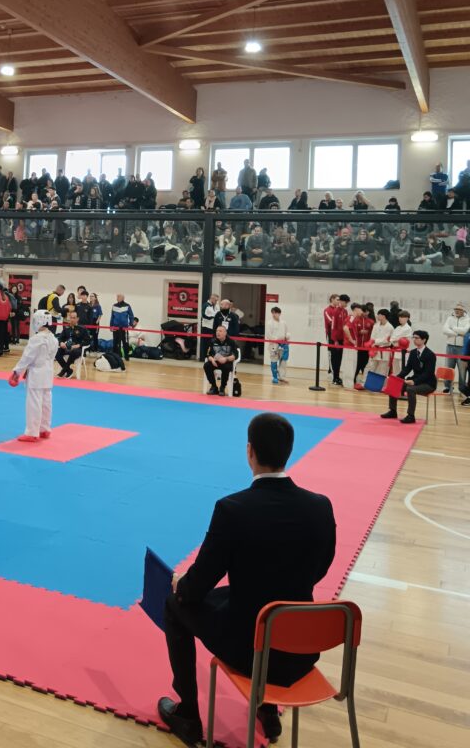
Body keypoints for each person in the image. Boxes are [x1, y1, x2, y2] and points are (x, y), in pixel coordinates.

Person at [158, 413, 336, 747]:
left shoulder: (232, 509)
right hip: (300, 647)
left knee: (174, 603)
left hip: (249, 646)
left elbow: (199, 586)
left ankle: (188, 715)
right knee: (269, 597)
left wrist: (181, 583)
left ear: (250, 451)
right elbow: (320, 569)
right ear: (288, 452)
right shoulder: (320, 507)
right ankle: (267, 710)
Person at [8, 310, 58, 442]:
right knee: (47, 402)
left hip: (36, 373)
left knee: (34, 403)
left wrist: (16, 372)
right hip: (48, 372)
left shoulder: (36, 339)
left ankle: (32, 432)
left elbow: (27, 358)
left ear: (39, 321)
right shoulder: (54, 338)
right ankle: (45, 429)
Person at [381, 330, 436, 424]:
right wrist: (396, 378)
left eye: (417, 338)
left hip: (428, 383)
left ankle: (411, 416)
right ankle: (393, 411)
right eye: (413, 338)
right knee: (395, 384)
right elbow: (407, 369)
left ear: (424, 340)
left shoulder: (430, 355)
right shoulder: (413, 352)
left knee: (411, 389)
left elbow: (428, 374)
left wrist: (414, 382)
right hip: (415, 380)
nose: (414, 340)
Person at [441, 303, 469, 393]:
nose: (457, 311)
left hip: (462, 348)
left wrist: (452, 328)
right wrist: (457, 333)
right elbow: (444, 330)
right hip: (450, 346)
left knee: (462, 369)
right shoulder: (450, 318)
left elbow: (465, 331)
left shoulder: (468, 319)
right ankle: (447, 387)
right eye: (456, 309)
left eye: (459, 310)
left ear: (463, 311)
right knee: (449, 367)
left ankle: (462, 388)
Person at [203, 325, 237, 396]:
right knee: (206, 366)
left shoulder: (231, 342)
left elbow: (235, 356)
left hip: (226, 362)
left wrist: (226, 359)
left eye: (220, 331)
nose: (218, 333)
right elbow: (207, 355)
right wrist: (212, 360)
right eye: (217, 331)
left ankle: (222, 387)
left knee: (226, 367)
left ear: (225, 333)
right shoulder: (212, 341)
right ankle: (214, 387)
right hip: (215, 362)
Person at [55, 309, 89, 378]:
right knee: (56, 352)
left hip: (78, 349)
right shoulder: (66, 328)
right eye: (71, 318)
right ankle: (68, 370)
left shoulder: (82, 329)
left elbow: (88, 341)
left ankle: (63, 370)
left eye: (74, 318)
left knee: (74, 351)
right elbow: (60, 338)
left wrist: (79, 345)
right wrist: (61, 343)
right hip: (67, 348)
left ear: (77, 319)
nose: (72, 319)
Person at [328, 293, 351, 386]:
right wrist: (335, 340)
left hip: (342, 339)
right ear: (341, 301)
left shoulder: (345, 311)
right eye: (346, 302)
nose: (347, 304)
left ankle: (337, 377)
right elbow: (333, 327)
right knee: (335, 359)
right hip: (336, 339)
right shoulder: (336, 311)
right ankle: (334, 378)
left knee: (340, 358)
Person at [265, 306, 289, 384]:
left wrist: (286, 337)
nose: (274, 314)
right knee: (274, 361)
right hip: (274, 345)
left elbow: (287, 332)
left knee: (283, 361)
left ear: (279, 313)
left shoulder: (284, 322)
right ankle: (274, 377)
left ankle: (281, 377)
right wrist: (277, 339)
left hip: (283, 344)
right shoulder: (269, 323)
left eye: (276, 313)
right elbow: (269, 335)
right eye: (273, 313)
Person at [110, 293, 135, 361]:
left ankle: (126, 356)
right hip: (116, 327)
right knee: (115, 342)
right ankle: (116, 356)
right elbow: (112, 317)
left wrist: (130, 325)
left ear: (123, 298)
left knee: (125, 342)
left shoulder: (127, 306)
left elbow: (131, 316)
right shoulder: (114, 306)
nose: (117, 298)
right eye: (117, 297)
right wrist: (111, 326)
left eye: (118, 297)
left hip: (124, 328)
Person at [199, 292, 219, 362]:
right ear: (212, 299)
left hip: (212, 328)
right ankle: (204, 357)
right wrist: (214, 316)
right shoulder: (206, 305)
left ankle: (210, 357)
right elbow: (204, 316)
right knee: (206, 344)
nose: (216, 302)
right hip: (206, 328)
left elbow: (217, 313)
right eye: (215, 300)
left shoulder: (214, 306)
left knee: (211, 343)